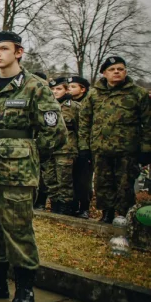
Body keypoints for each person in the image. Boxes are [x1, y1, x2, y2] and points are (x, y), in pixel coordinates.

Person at [0, 31, 65, 302]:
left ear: (18, 52)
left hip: (18, 172)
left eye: (4, 48)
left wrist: (28, 153)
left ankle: (24, 288)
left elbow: (55, 133)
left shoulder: (35, 87)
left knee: (18, 229)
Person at [78, 56, 151, 223]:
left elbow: (147, 123)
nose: (116, 72)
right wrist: (84, 147)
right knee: (103, 184)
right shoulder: (94, 94)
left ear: (125, 71)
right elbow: (84, 121)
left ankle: (124, 217)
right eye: (112, 69)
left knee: (125, 186)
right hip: (100, 149)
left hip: (127, 150)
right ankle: (107, 214)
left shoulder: (138, 93)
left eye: (120, 69)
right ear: (104, 73)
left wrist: (146, 149)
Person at [43, 77, 80, 216]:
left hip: (66, 150)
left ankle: (65, 208)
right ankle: (54, 206)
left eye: (59, 89)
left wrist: (82, 150)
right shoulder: (45, 105)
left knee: (64, 181)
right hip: (49, 149)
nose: (55, 92)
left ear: (66, 90)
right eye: (52, 89)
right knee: (50, 180)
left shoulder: (74, 107)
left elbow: (80, 129)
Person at [67, 75, 93, 217]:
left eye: (73, 87)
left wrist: (86, 148)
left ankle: (84, 207)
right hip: (71, 148)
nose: (69, 89)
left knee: (84, 179)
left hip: (85, 148)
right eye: (68, 87)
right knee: (71, 178)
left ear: (82, 89)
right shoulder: (68, 104)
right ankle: (73, 206)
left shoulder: (88, 103)